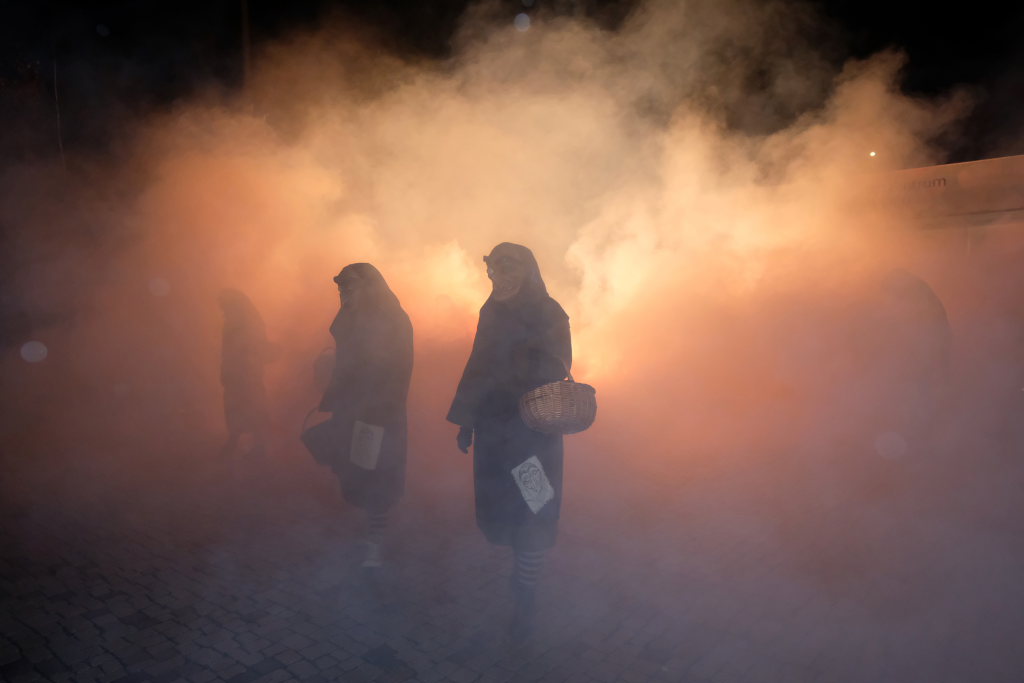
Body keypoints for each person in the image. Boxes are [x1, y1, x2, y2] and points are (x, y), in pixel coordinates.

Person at [447, 242, 572, 641]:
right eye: (496, 271)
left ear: (527, 272)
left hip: (533, 431)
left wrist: (517, 365)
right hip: (494, 429)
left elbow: (560, 365)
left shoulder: (549, 312)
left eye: (509, 270)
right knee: (503, 505)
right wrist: (466, 421)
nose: (500, 278)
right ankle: (521, 573)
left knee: (533, 508)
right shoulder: (492, 310)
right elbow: (476, 363)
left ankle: (526, 596)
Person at [319, 263, 413, 569]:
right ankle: (362, 530)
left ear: (369, 287)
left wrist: (376, 409)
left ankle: (375, 543)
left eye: (350, 286)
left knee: (378, 479)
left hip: (379, 414)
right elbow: (346, 362)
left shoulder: (393, 320)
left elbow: (398, 371)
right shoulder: (352, 317)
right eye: (340, 287)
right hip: (352, 409)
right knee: (355, 470)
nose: (343, 292)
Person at [219, 289, 271, 459]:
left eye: (224, 305)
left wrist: (245, 368)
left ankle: (259, 446)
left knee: (252, 407)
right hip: (236, 373)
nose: (223, 309)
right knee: (234, 407)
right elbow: (227, 350)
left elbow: (254, 348)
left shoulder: (248, 322)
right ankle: (234, 440)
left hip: (247, 373)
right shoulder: (233, 320)